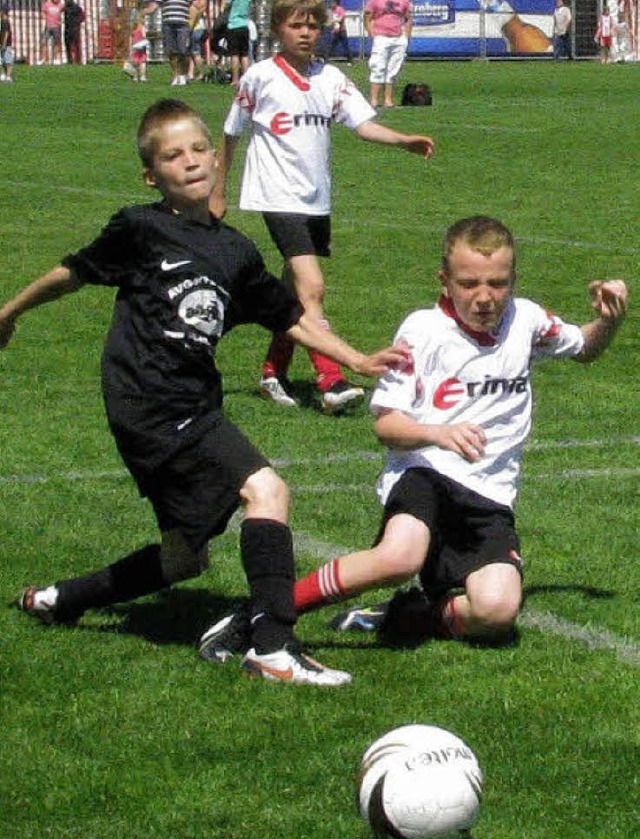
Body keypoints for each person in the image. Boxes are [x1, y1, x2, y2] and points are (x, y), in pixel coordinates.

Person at [0, 99, 406, 686]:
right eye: (172, 156)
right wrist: (10, 311)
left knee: (183, 557)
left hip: (191, 403)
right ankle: (272, 645)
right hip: (151, 402)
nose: (190, 162)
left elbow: (291, 315)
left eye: (197, 150)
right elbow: (74, 272)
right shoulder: (140, 228)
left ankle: (62, 599)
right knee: (267, 490)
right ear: (151, 175)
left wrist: (358, 359)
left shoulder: (235, 251)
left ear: (216, 160)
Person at [199, 216, 628, 662]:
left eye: (498, 284)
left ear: (513, 279)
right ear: (444, 281)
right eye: (469, 283)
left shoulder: (528, 320)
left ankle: (411, 614)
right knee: (399, 557)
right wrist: (436, 433)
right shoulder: (422, 331)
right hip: (423, 472)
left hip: (490, 494)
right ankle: (263, 612)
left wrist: (609, 321)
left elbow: (585, 348)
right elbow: (386, 426)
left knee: (497, 612)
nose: (484, 297)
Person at [210, 0, 434, 414]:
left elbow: (361, 124)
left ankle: (272, 373)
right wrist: (218, 191)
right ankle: (330, 380)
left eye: (313, 25)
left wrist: (402, 140)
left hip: (316, 198)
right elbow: (230, 134)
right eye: (296, 25)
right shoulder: (259, 78)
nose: (306, 32)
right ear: (279, 29)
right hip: (276, 196)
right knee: (312, 287)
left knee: (293, 291)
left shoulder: (331, 78)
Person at [364, 0, 411, 109]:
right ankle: (374, 100)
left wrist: (406, 37)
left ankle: (388, 100)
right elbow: (367, 17)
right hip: (381, 37)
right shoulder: (374, 1)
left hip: (399, 38)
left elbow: (408, 19)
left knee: (393, 69)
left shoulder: (404, 1)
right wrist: (372, 33)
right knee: (377, 67)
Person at [144, 0, 191, 85]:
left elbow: (192, 6)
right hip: (167, 24)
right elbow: (155, 5)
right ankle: (175, 75)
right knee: (170, 51)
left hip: (183, 24)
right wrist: (144, 11)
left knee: (183, 51)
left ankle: (183, 75)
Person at [224, 0, 253, 89]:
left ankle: (235, 80)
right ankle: (246, 79)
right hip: (244, 25)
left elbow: (226, 4)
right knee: (244, 54)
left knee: (234, 54)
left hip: (233, 25)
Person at [326, 0, 353, 64]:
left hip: (342, 31)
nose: (331, 4)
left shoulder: (340, 9)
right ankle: (326, 59)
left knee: (345, 46)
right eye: (330, 3)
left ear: (335, 3)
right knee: (331, 46)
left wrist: (333, 21)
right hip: (335, 32)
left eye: (332, 2)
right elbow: (329, 21)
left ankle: (350, 60)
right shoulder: (331, 11)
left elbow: (341, 19)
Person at [126, 12, 149, 82]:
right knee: (142, 62)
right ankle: (142, 76)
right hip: (141, 48)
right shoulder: (142, 27)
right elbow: (144, 36)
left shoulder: (133, 28)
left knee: (135, 63)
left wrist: (130, 48)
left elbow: (130, 39)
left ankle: (135, 77)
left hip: (134, 48)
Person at [187, 0, 207, 81]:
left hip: (195, 28)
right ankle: (190, 73)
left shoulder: (195, 6)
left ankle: (200, 73)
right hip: (199, 28)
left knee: (195, 53)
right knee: (192, 52)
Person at [41, 0, 64, 65]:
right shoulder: (47, 4)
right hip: (48, 26)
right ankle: (44, 59)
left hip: (57, 26)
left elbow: (63, 12)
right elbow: (43, 12)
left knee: (56, 43)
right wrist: (44, 17)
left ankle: (55, 59)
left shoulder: (61, 5)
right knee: (44, 42)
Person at [0, 5, 14, 83]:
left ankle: (8, 77)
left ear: (3, 12)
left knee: (8, 61)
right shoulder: (2, 21)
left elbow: (6, 34)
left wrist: (4, 44)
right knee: (4, 61)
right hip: (2, 44)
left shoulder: (5, 21)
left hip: (6, 44)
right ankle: (5, 75)